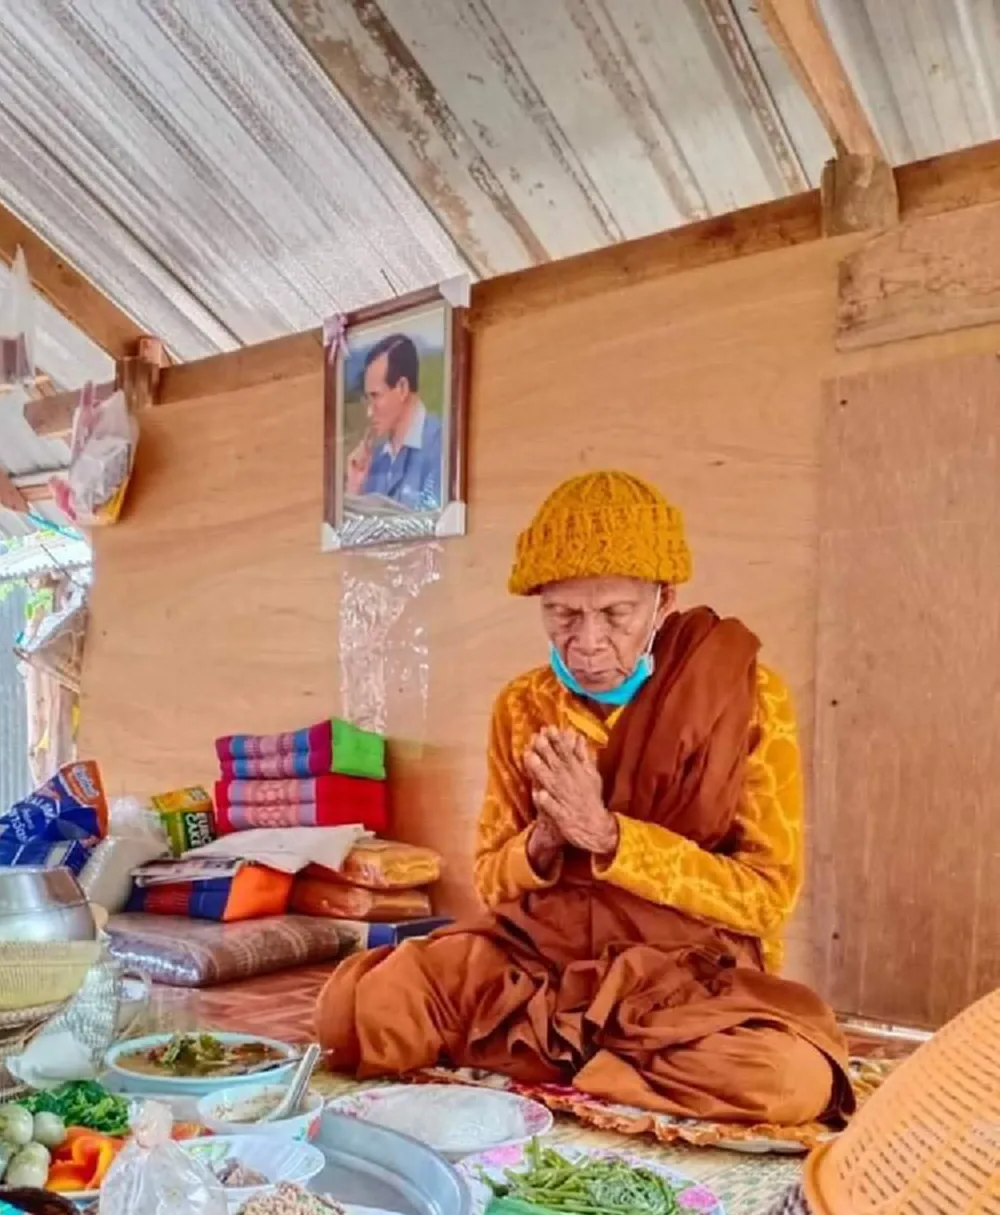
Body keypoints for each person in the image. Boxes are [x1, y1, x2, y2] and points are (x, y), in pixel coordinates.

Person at [318, 470, 852, 1127]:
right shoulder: (524, 706)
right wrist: (545, 839)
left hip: (679, 977)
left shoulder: (747, 698)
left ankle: (560, 1054)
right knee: (359, 1009)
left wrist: (611, 838)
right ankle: (603, 1059)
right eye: (563, 615)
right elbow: (489, 880)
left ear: (663, 602)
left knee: (786, 1081)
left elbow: (766, 895)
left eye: (615, 615)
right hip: (541, 959)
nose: (589, 641)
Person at [344, 333, 443, 511]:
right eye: (367, 399)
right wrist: (354, 489)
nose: (369, 412)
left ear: (403, 388)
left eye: (376, 396)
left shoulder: (442, 447)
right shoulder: (373, 461)